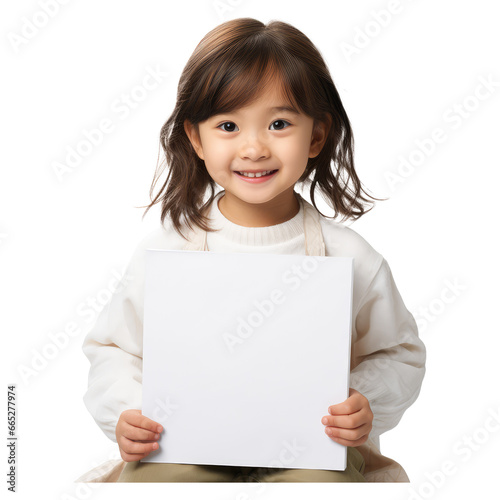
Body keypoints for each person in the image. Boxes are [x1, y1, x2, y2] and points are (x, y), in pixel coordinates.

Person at [82, 17, 426, 483]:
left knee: (320, 487)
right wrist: (127, 410)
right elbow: (114, 347)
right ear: (195, 138)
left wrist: (364, 400)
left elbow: (398, 351)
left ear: (317, 136)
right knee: (155, 483)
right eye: (228, 125)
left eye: (279, 123)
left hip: (309, 450)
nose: (254, 147)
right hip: (185, 445)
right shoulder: (168, 250)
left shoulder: (350, 256)